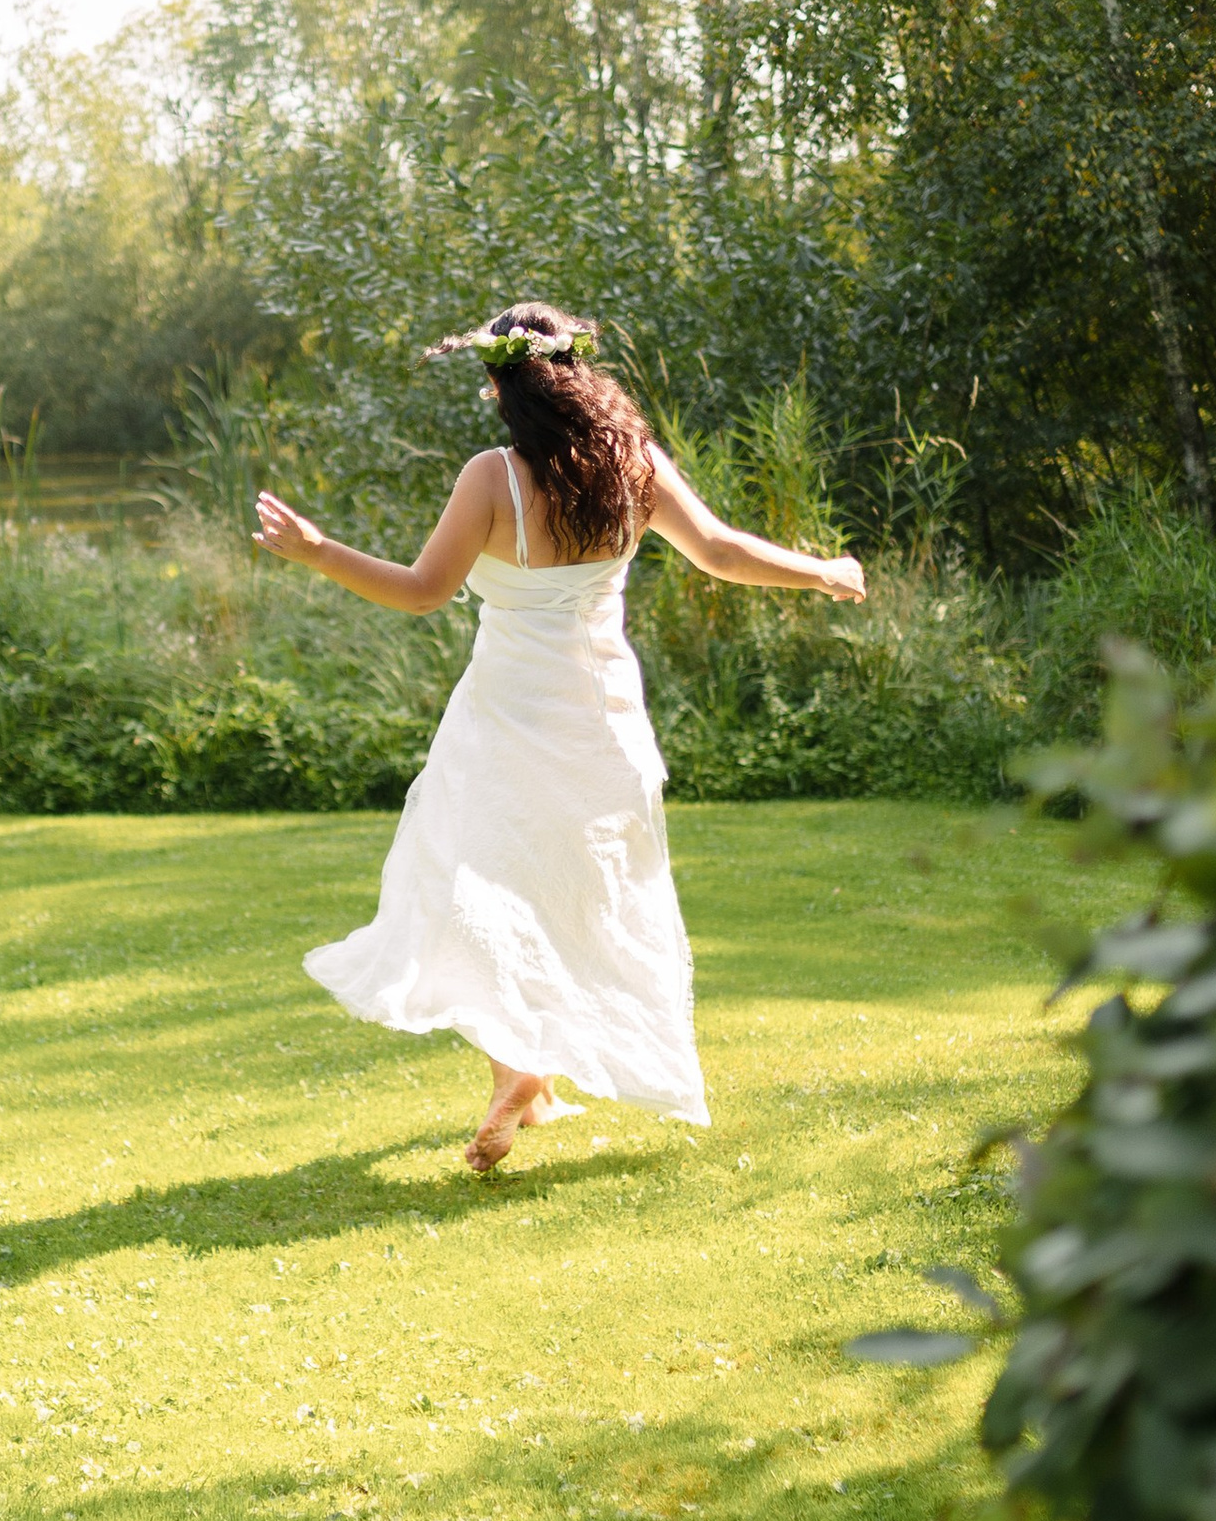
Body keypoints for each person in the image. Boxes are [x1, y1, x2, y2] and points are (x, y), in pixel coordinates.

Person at [253, 301, 867, 1172]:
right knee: (579, 891)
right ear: (578, 376)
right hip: (602, 719)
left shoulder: (492, 477)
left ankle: (520, 1070)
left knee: (477, 878)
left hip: (506, 712)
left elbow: (425, 590)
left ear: (505, 386)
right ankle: (529, 1078)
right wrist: (826, 571)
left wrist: (319, 550)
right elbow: (723, 553)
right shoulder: (631, 464)